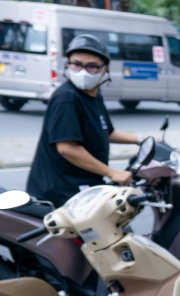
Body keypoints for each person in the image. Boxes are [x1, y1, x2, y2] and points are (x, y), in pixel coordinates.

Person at [26, 35, 141, 207]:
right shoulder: (67, 98)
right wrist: (111, 173)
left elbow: (107, 132)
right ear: (68, 64)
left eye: (92, 66)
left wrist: (141, 140)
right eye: (76, 64)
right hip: (63, 190)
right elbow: (67, 148)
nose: (83, 71)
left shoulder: (94, 95)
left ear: (105, 69)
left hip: (84, 185)